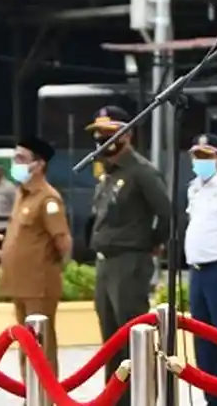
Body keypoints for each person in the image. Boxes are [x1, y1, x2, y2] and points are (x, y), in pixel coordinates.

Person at [86, 106, 173, 406]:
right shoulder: (108, 173)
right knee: (110, 340)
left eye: (109, 133)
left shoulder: (141, 171)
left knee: (132, 336)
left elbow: (167, 214)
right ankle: (115, 399)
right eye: (98, 133)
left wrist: (152, 243)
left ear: (127, 134)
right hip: (105, 262)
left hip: (129, 261)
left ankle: (140, 398)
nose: (102, 138)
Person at [0, 136, 72, 376]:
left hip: (39, 285)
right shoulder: (22, 194)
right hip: (20, 284)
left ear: (38, 165)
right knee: (25, 343)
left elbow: (62, 241)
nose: (15, 163)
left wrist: (49, 268)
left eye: (21, 158)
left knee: (41, 343)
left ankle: (46, 392)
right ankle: (30, 391)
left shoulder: (48, 198)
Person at [184, 133, 217, 406]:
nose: (200, 161)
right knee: (202, 339)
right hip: (197, 270)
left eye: (206, 155)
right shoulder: (193, 187)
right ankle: (210, 398)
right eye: (196, 156)